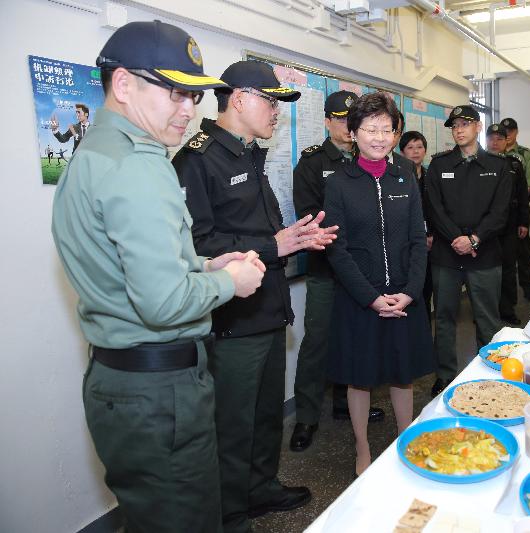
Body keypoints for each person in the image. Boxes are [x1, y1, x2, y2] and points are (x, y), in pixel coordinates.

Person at [51, 20, 267, 532]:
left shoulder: (96, 154)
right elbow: (163, 302)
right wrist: (229, 283)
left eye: (192, 95)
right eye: (174, 92)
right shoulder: (137, 166)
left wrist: (202, 265)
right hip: (158, 390)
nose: (188, 109)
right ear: (123, 85)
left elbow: (127, 263)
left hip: (122, 381)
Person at [172, 60, 334, 533]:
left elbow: (253, 233)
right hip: (230, 320)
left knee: (266, 417)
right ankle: (231, 514)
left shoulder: (247, 153)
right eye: (271, 100)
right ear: (238, 99)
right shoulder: (198, 160)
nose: (277, 112)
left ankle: (261, 488)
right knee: (233, 426)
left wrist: (289, 239)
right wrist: (273, 245)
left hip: (265, 310)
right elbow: (196, 249)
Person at [324, 92, 434, 475]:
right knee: (361, 378)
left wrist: (411, 290)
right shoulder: (339, 182)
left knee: (403, 376)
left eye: (386, 129)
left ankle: (406, 440)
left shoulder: (406, 174)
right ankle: (362, 448)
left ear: (394, 132)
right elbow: (337, 250)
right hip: (361, 298)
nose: (378, 136)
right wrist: (371, 298)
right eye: (369, 128)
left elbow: (418, 240)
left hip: (404, 293)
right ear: (353, 132)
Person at [291, 90, 385, 453]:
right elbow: (314, 220)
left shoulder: (371, 162)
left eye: (353, 120)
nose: (348, 127)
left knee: (357, 339)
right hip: (327, 270)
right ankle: (306, 416)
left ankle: (347, 403)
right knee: (317, 341)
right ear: (327, 121)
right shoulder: (313, 165)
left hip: (364, 272)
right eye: (341, 119)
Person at [425, 105, 513, 397]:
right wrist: (458, 239)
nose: (459, 129)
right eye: (454, 125)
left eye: (465, 123)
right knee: (445, 318)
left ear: (478, 127)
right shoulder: (438, 166)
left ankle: (490, 373)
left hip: (484, 255)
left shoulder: (500, 167)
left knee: (487, 320)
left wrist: (474, 240)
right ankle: (445, 375)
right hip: (447, 256)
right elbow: (434, 210)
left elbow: (500, 214)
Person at [486, 123, 530, 325]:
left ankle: (507, 308)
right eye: (491, 139)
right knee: (486, 269)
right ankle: (486, 310)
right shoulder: (479, 163)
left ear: (506, 142)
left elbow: (522, 196)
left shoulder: (514, 164)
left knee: (508, 269)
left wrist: (524, 222)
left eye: (499, 139)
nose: (495, 143)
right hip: (485, 227)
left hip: (509, 226)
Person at [501, 117, 530, 303]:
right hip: (499, 214)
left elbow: (529, 183)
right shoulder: (491, 153)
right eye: (504, 131)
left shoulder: (525, 153)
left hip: (518, 209)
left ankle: (529, 288)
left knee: (523, 253)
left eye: (511, 131)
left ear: (516, 132)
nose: (507, 134)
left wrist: (515, 201)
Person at [399, 130, 433, 319]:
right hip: (408, 244)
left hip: (431, 244)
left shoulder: (431, 176)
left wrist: (431, 235)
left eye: (419, 147)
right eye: (410, 147)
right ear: (402, 152)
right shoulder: (399, 178)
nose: (415, 151)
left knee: (427, 291)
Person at [388, 111, 416, 176]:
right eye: (386, 131)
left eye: (396, 132)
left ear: (400, 135)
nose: (391, 137)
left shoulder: (409, 166)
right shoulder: (360, 161)